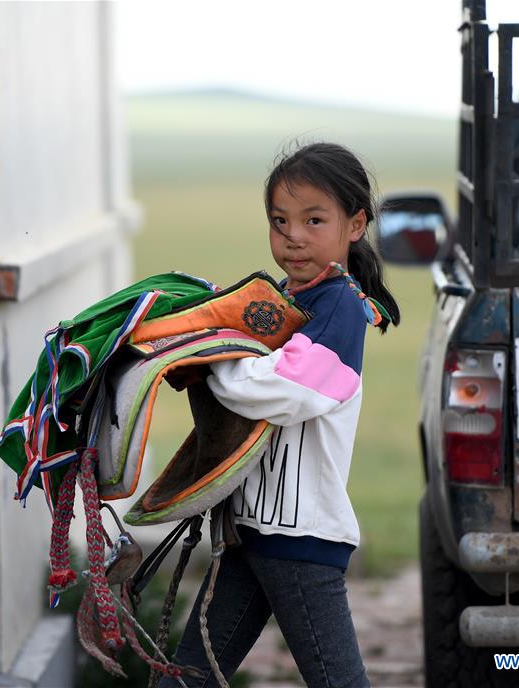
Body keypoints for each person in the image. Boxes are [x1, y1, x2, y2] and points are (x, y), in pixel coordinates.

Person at [158, 142, 401, 688]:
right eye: (280, 220)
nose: (293, 235)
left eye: (314, 220)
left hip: (300, 541)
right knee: (185, 679)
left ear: (355, 224)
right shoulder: (282, 304)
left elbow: (283, 390)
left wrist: (211, 359)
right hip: (251, 535)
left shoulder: (341, 306)